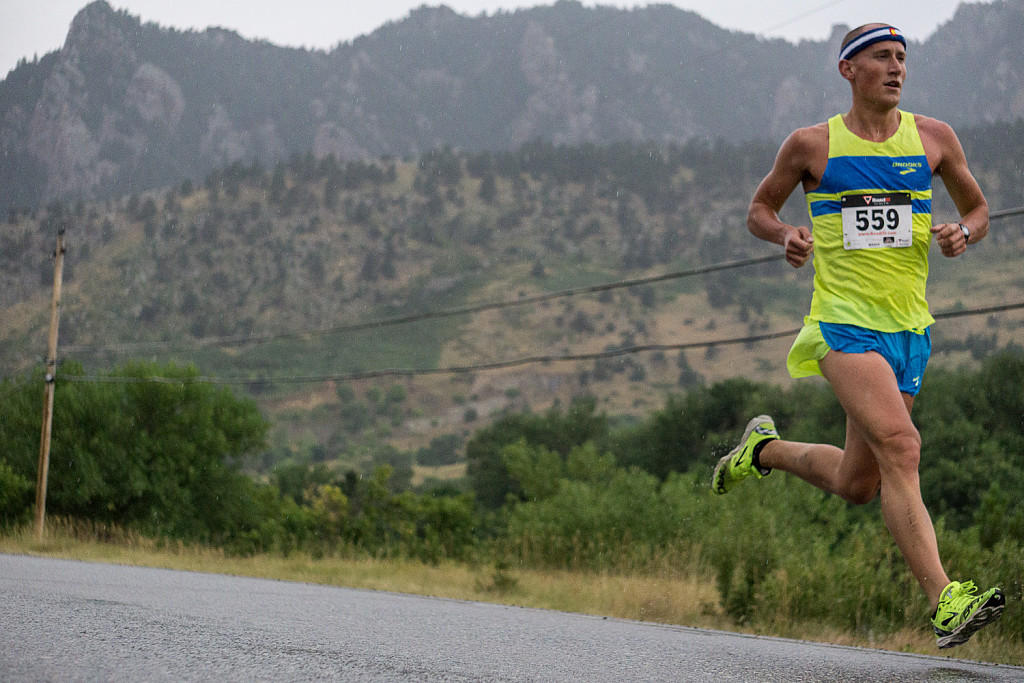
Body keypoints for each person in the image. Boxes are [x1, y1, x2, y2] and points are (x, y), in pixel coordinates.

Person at [711, 23, 1004, 649]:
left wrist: (963, 233)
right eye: (882, 58)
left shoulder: (934, 138)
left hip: (909, 328)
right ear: (849, 70)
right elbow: (759, 210)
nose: (897, 68)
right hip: (842, 323)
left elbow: (978, 211)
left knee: (858, 483)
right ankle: (946, 601)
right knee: (903, 445)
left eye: (902, 58)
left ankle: (763, 451)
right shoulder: (811, 145)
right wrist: (785, 234)